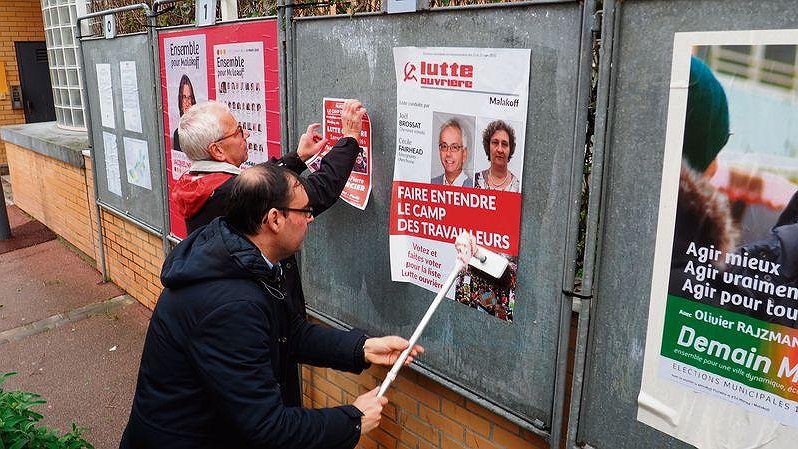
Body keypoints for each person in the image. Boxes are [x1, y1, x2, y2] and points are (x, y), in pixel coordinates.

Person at [120, 164, 423, 449]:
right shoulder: (231, 305)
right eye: (305, 211)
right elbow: (267, 426)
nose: (310, 219)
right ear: (275, 219)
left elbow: (288, 333)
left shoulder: (241, 258)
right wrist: (352, 421)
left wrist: (362, 348)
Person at [171, 99, 363, 406]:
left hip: (260, 323)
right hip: (267, 327)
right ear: (217, 150)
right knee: (277, 410)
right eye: (238, 131)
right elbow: (315, 193)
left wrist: (297, 159)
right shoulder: (229, 194)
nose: (245, 135)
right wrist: (350, 140)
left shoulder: (200, 183)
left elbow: (258, 183)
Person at [474, 120, 520, 192]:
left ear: (510, 149)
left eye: (504, 144)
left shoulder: (518, 187)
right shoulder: (474, 181)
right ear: (488, 146)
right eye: (495, 143)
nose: (500, 150)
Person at [431, 119, 472, 187]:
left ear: (464, 154)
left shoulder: (474, 188)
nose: (448, 153)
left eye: (454, 147)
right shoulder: (430, 183)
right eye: (444, 146)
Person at [172, 74, 196, 153]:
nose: (187, 102)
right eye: (184, 97)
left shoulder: (201, 129)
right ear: (180, 101)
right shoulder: (177, 134)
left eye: (189, 97)